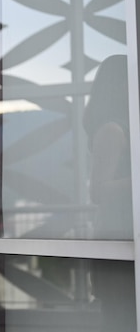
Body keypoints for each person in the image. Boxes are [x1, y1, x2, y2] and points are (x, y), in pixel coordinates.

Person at [83, 54, 136, 332]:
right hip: (117, 239)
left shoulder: (124, 127)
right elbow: (98, 191)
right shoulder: (113, 130)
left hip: (122, 236)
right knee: (121, 316)